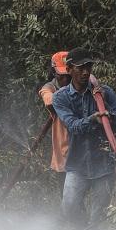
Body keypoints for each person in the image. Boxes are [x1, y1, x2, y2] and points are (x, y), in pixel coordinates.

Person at [52, 47, 116, 228]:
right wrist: (94, 119)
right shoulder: (60, 98)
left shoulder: (104, 93)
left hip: (104, 166)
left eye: (89, 67)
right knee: (69, 209)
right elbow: (73, 126)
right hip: (77, 165)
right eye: (80, 68)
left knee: (98, 219)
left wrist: (110, 117)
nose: (86, 72)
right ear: (69, 69)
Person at [38, 51, 71, 188]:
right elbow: (48, 98)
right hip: (63, 153)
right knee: (67, 197)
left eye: (68, 75)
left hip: (83, 152)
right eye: (61, 75)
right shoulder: (49, 88)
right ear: (53, 72)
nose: (65, 79)